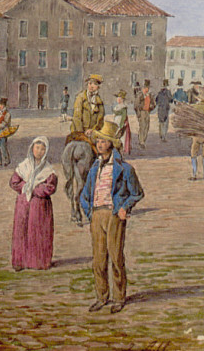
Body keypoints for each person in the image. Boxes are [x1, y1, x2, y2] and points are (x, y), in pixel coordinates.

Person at [79, 119, 144, 314]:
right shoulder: (94, 168)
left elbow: (137, 193)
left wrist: (124, 208)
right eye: (98, 141)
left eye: (104, 141)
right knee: (98, 260)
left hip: (114, 215)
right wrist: (90, 213)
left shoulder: (125, 168)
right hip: (97, 216)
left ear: (112, 144)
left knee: (115, 258)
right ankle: (101, 296)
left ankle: (119, 297)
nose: (99, 144)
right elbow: (84, 195)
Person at [9, 134, 58, 270]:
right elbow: (14, 182)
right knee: (22, 231)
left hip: (40, 206)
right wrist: (25, 186)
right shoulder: (24, 166)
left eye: (42, 149)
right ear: (32, 148)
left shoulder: (48, 170)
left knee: (38, 232)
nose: (39, 151)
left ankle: (39, 262)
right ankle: (20, 261)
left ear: (46, 151)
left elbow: (51, 187)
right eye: (37, 148)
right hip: (23, 204)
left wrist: (35, 189)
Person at [0, 97, 13, 167]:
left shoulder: (7, 114)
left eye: (1, 105)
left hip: (3, 131)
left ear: (4, 106)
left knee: (3, 146)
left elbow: (4, 123)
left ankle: (6, 160)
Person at [112, 91, 131, 156]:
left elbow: (124, 116)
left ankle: (122, 150)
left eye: (119, 98)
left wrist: (121, 124)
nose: (118, 100)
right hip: (116, 121)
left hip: (121, 123)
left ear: (122, 99)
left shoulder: (123, 107)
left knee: (122, 136)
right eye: (117, 98)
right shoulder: (117, 106)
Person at [136, 81, 153, 148]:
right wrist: (139, 113)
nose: (147, 89)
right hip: (142, 112)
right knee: (142, 127)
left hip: (147, 112)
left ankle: (143, 140)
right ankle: (141, 141)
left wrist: (151, 106)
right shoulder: (140, 95)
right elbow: (136, 105)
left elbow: (153, 103)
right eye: (146, 88)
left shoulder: (150, 95)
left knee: (147, 127)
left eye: (148, 88)